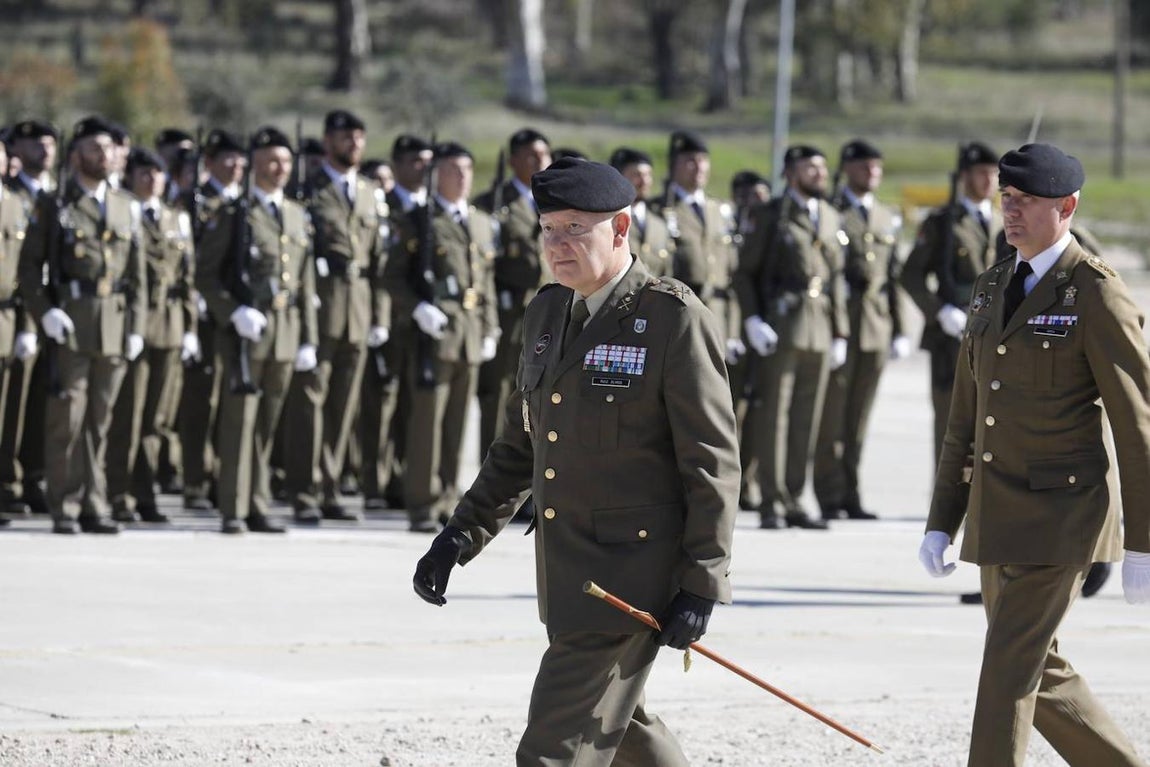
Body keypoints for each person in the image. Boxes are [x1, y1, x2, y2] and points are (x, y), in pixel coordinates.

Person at [412, 157, 739, 765]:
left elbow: (711, 463)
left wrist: (703, 581)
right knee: (622, 730)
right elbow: (521, 445)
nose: (557, 245)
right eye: (548, 229)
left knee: (554, 748)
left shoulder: (672, 319)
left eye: (575, 230)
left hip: (629, 579)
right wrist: (459, 535)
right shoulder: (547, 312)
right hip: (566, 572)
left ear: (619, 230)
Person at [918, 143, 1150, 767]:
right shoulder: (993, 285)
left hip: (1063, 519)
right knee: (1036, 669)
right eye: (1007, 199)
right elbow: (966, 419)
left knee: (1005, 673)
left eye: (1028, 202)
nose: (1011, 213)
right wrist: (944, 517)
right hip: (1000, 516)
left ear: (1068, 207)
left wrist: (1144, 542)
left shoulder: (1096, 293)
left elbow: (1138, 426)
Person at [18, 115, 147, 535]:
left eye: (109, 149)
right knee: (66, 420)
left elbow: (138, 277)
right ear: (76, 156)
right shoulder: (55, 204)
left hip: (113, 321)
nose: (104, 156)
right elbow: (29, 269)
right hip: (72, 320)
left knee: (101, 420)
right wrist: (45, 312)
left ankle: (95, 503)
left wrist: (136, 327)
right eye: (95, 149)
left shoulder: (127, 205)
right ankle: (65, 506)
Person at [196, 126, 317, 534]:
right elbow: (207, 276)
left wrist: (308, 338)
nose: (279, 168)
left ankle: (257, 504)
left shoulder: (297, 214)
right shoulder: (236, 213)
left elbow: (305, 284)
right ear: (255, 165)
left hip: (285, 332)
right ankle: (233, 508)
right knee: (238, 424)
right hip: (246, 335)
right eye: (271, 161)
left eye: (285, 161)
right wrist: (232, 313)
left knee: (266, 426)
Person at [282, 109, 389, 525]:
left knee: (344, 406)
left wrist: (379, 314)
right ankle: (304, 491)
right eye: (346, 137)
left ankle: (330, 487)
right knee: (310, 403)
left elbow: (379, 260)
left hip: (359, 308)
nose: (355, 144)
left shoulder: (368, 193)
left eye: (360, 137)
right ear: (328, 142)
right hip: (321, 306)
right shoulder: (308, 192)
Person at [734, 144, 848, 530]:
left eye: (821, 166)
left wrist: (841, 331)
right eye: (809, 167)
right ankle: (771, 501)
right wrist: (751, 319)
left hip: (820, 323)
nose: (819, 173)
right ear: (790, 173)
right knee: (774, 418)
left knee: (806, 418)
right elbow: (744, 272)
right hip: (783, 323)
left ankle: (796, 499)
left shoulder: (831, 215)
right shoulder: (772, 215)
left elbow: (836, 280)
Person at [391, 141, 498, 533]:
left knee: (457, 425)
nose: (463, 177)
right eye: (453, 170)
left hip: (469, 334)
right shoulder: (420, 219)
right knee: (427, 424)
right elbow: (393, 275)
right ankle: (421, 503)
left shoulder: (481, 221)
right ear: (437, 175)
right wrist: (417, 307)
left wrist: (490, 327)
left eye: (467, 169)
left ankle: (450, 499)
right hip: (434, 334)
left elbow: (484, 280)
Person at [813, 139, 910, 521]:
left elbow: (893, 278)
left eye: (876, 167)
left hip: (875, 326)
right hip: (842, 325)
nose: (872, 173)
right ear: (848, 169)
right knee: (832, 418)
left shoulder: (886, 217)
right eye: (864, 166)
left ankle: (851, 493)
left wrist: (899, 328)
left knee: (859, 420)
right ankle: (829, 494)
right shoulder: (833, 212)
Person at [106, 147, 197, 524]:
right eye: (144, 173)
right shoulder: (123, 213)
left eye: (157, 174)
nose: (151, 180)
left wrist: (190, 328)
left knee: (157, 420)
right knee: (129, 414)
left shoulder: (177, 219)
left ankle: (146, 495)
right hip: (136, 325)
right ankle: (119, 495)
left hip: (171, 327)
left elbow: (187, 278)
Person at [901, 141, 1002, 467]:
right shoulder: (943, 223)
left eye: (993, 173)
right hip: (951, 338)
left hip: (996, 334)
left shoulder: (1005, 223)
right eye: (980, 173)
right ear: (964, 177)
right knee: (951, 422)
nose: (988, 181)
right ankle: (946, 504)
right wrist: (938, 311)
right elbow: (911, 275)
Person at [358, 134, 434, 511]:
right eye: (416, 161)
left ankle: (404, 480)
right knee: (380, 404)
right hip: (385, 317)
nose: (423, 168)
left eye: (427, 161)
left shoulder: (433, 209)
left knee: (412, 405)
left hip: (420, 324)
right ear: (400, 165)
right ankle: (373, 481)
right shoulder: (381, 206)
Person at [473, 127, 552, 465]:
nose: (540, 162)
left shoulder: (554, 200)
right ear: (514, 159)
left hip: (547, 309)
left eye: (544, 155)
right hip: (509, 311)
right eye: (532, 155)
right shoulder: (494, 204)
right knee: (501, 393)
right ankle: (494, 473)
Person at [179, 128, 247, 512]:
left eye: (240, 159)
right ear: (210, 163)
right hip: (202, 313)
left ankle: (225, 478)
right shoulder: (196, 202)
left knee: (231, 401)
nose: (236, 166)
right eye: (228, 159)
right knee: (199, 400)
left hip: (236, 314)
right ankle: (194, 479)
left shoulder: (246, 202)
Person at [2, 118, 59, 519]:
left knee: (40, 404)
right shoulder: (12, 198)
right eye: (32, 143)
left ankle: (31, 478)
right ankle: (9, 481)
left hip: (50, 314)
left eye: (49, 143)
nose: (44, 150)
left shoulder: (57, 198)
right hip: (17, 314)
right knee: (12, 406)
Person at [608, 146, 674, 279]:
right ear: (620, 177)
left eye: (648, 175)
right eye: (637, 175)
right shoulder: (609, 221)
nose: (644, 181)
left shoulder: (659, 224)